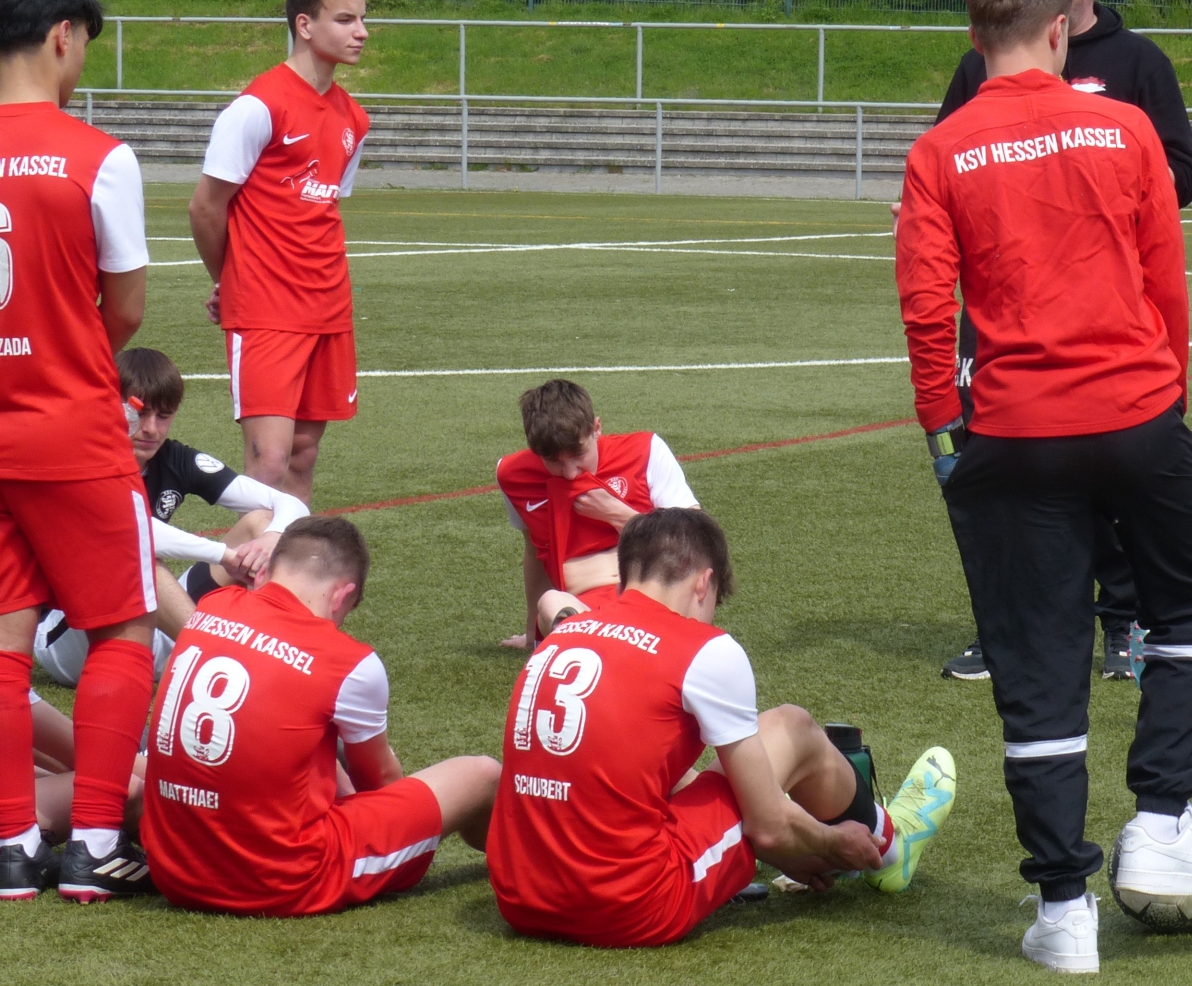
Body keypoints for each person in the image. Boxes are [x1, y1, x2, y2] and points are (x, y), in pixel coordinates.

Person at [895, 0, 1192, 975]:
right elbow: (1164, 278)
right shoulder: (1126, 127)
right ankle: (1161, 818)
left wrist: (943, 430)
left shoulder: (941, 150)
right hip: (1139, 415)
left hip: (1013, 433)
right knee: (1190, 610)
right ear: (1061, 29)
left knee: (1037, 664)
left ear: (973, 38)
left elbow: (926, 308)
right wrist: (1167, 400)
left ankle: (1062, 911)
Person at [931, 0, 1192, 685]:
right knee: (1007, 479)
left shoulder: (1136, 64)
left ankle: (1123, 623)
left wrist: (1099, 179)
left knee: (1109, 469)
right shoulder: (979, 65)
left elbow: (1182, 173)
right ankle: (1009, 625)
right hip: (1004, 318)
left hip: (1104, 313)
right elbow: (950, 159)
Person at [488, 508, 958, 947]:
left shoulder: (566, 635)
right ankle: (890, 848)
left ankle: (853, 833)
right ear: (703, 583)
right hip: (626, 904)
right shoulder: (703, 647)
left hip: (519, 897)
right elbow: (769, 828)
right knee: (791, 727)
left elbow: (552, 602)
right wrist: (832, 841)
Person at [0, 0, 158, 903]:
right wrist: (62, 351)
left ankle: (11, 845)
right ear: (63, 34)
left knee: (2, 639)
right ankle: (96, 841)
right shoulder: (98, 155)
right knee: (124, 626)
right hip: (71, 427)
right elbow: (126, 307)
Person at [142, 516, 499, 917]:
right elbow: (379, 782)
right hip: (276, 880)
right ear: (343, 595)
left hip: (174, 870)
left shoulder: (212, 607)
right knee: (482, 775)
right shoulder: (345, 660)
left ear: (268, 572)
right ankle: (523, 860)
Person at [187, 0, 371, 504]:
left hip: (329, 305)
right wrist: (230, 279)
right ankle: (244, 561)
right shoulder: (257, 106)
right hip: (267, 307)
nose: (362, 32)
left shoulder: (354, 118)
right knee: (267, 464)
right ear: (305, 25)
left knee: (303, 457)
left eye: (363, 19)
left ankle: (287, 563)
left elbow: (324, 206)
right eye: (346, 19)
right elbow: (205, 208)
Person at [33, 347, 310, 689]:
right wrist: (223, 555)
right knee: (137, 557)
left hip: (155, 628)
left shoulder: (175, 458)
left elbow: (290, 505)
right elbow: (132, 531)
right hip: (74, 637)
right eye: (140, 413)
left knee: (262, 522)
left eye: (163, 416)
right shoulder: (82, 458)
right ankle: (224, 658)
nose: (150, 429)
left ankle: (286, 647)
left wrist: (272, 536)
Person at [494, 379, 698, 649]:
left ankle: (593, 640)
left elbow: (696, 539)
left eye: (578, 454)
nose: (570, 473)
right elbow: (533, 552)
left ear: (596, 428)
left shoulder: (645, 451)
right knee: (550, 601)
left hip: (653, 597)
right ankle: (588, 636)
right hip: (583, 610)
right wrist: (533, 636)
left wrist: (617, 514)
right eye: (554, 461)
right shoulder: (512, 476)